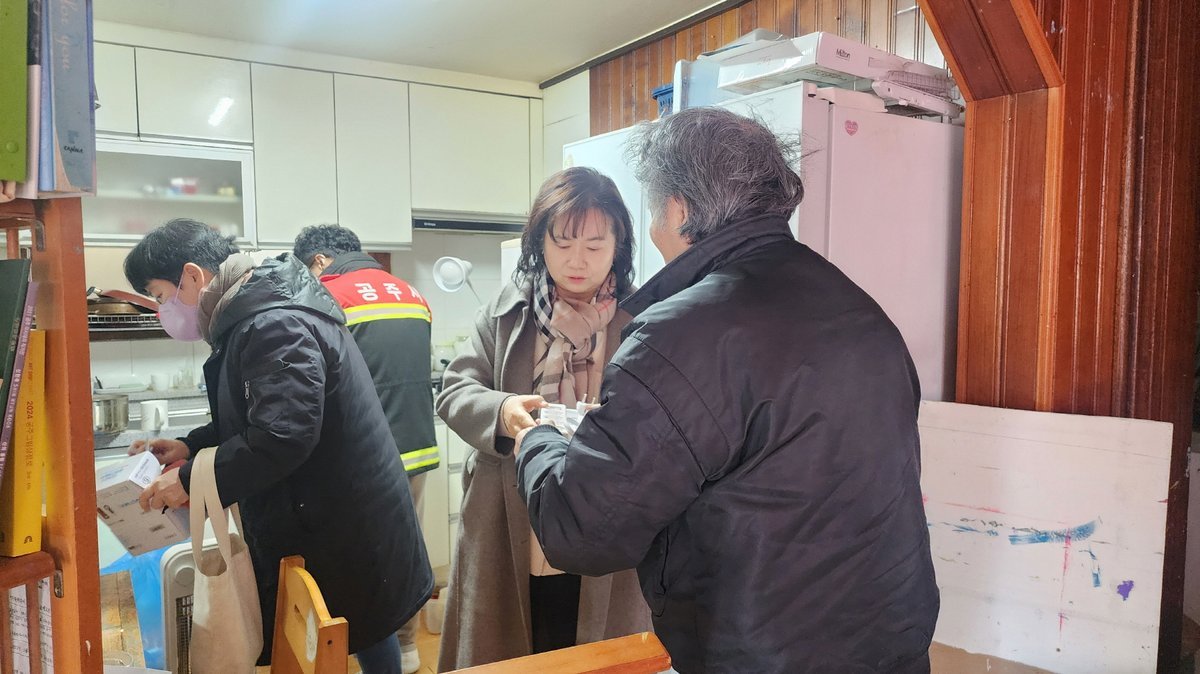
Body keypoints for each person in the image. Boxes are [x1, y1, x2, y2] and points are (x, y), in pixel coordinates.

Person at [513, 108, 940, 673]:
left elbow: (583, 530)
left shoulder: (679, 335)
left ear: (678, 209)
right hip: (893, 644)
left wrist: (538, 439)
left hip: (762, 657)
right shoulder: (859, 309)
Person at [125, 218, 433, 674]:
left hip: (341, 510)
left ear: (191, 276)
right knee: (362, 622)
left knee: (356, 623)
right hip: (335, 504)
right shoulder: (256, 312)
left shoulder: (272, 322)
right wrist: (190, 447)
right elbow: (259, 415)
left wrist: (188, 481)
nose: (161, 310)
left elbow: (281, 435)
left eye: (159, 295)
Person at [435, 166, 652, 670]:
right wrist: (503, 411)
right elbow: (455, 390)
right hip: (509, 514)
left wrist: (613, 428)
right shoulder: (506, 311)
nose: (577, 260)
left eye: (595, 245)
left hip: (605, 515)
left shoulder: (643, 320)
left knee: (593, 647)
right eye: (563, 242)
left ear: (618, 245)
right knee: (513, 647)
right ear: (540, 242)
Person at [293, 224, 437, 674]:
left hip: (365, 456)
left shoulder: (326, 295)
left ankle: (367, 656)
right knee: (404, 553)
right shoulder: (411, 293)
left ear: (319, 260)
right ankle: (407, 649)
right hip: (415, 447)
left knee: (362, 564)